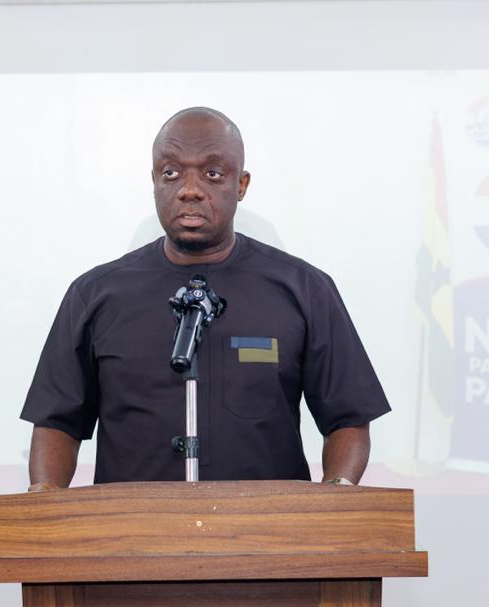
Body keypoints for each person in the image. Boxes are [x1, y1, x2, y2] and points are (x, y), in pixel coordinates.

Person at [21, 107, 389, 489]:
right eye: (171, 172)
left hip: (268, 525)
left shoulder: (305, 289)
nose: (190, 189)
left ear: (241, 184)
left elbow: (348, 419)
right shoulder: (94, 295)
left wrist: (336, 497)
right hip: (131, 526)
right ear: (153, 181)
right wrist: (45, 502)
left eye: (212, 173)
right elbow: (56, 423)